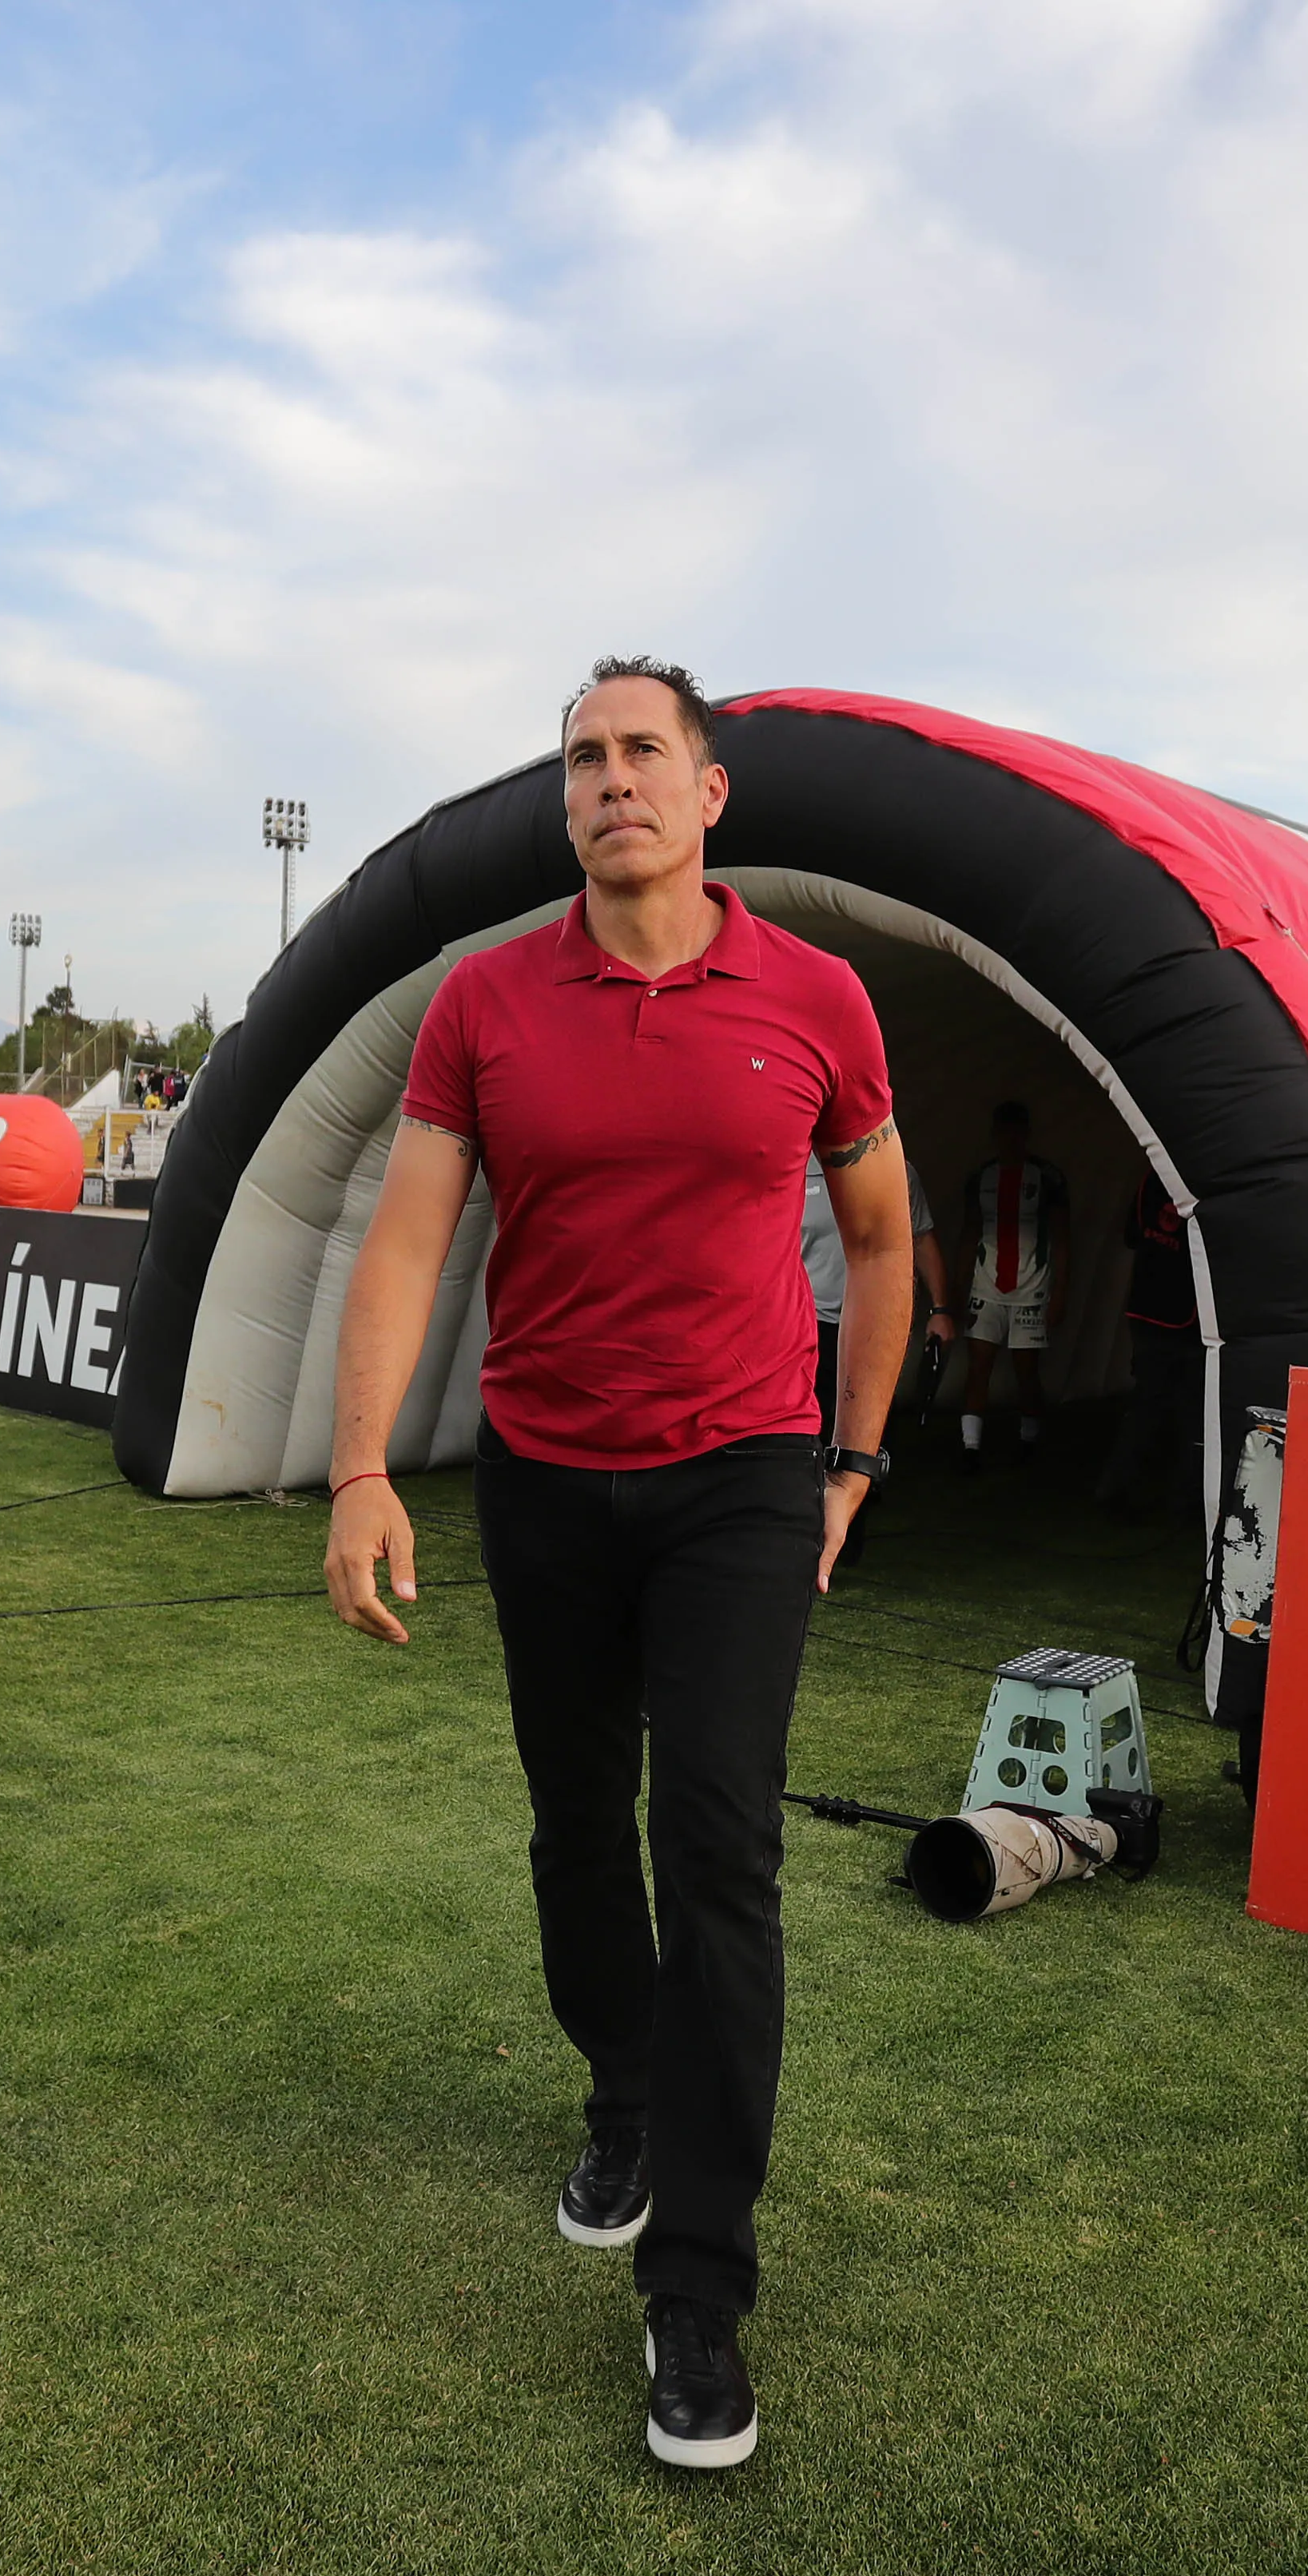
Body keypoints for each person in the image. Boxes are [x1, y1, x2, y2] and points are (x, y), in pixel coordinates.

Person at [319, 656, 910, 2473]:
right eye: (580, 758)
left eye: (639, 750)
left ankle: (698, 2299)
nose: (607, 781)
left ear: (707, 792)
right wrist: (356, 1467)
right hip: (544, 1477)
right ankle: (622, 2094)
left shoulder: (813, 996)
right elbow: (407, 1246)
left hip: (738, 1476)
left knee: (714, 1847)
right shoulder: (481, 1004)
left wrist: (854, 1459)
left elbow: (881, 1241)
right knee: (575, 1824)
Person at [800, 1139, 944, 1564]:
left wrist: (942, 1308)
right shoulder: (789, 1166)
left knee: (859, 1431)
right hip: (808, 1324)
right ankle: (803, 1536)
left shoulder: (892, 1167)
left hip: (867, 1324)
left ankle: (845, 1539)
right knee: (809, 1432)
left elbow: (920, 1239)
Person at [952, 1100, 1069, 1469]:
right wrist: (957, 1291)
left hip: (1031, 1288)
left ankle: (1029, 1443)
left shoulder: (1048, 1177)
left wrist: (1059, 1294)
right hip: (985, 1288)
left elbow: (1063, 1239)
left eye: (1016, 1132)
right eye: (1004, 1132)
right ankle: (970, 1449)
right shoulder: (981, 1177)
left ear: (1026, 1133)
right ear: (995, 1135)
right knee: (979, 1365)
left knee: (1026, 1370)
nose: (1010, 1139)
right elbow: (969, 1235)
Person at [1096, 1165, 1200, 1510]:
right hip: (1169, 1314)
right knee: (1176, 1409)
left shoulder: (1151, 1181)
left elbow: (1132, 1235)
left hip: (1151, 1311)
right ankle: (1165, 1496)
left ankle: (1134, 1491)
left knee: (1158, 1406)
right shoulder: (1177, 1184)